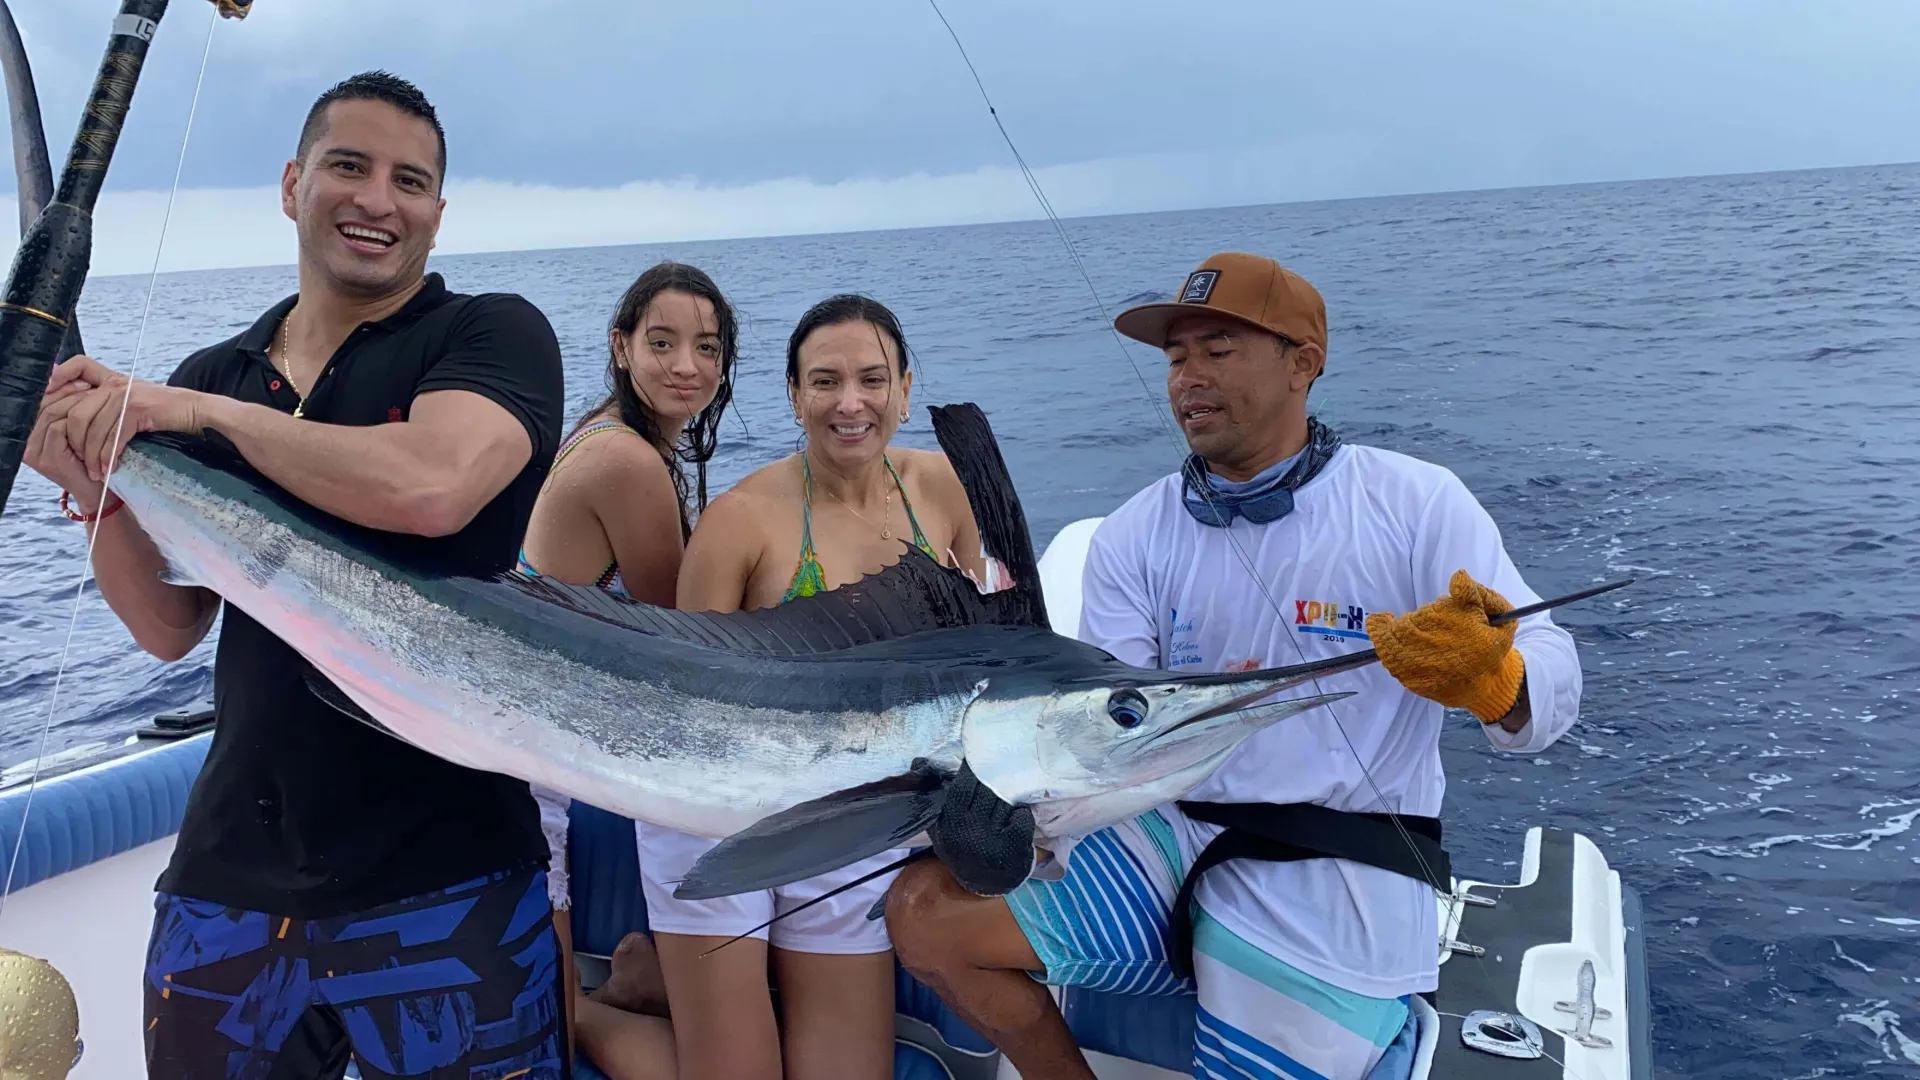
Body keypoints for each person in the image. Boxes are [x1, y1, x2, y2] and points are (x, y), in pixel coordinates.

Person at [883, 251, 1584, 1080]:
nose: (1190, 378)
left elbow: (1554, 682)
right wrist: (1019, 828)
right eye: (1178, 358)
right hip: (1166, 831)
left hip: (1337, 871)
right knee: (925, 913)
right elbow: (1107, 736)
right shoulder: (1135, 535)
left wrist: (1495, 684)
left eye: (1220, 350)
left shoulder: (1417, 502)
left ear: (1304, 364)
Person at [24, 72, 570, 1079]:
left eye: (410, 181)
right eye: (349, 166)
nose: (378, 199)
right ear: (291, 184)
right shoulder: (211, 372)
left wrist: (196, 418)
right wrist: (91, 485)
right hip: (228, 882)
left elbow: (434, 489)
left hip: (447, 874)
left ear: (438, 216)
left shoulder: (488, 335)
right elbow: (170, 625)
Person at [622, 294, 987, 1080]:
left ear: (906, 388)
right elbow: (685, 704)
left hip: (856, 821)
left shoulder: (945, 491)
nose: (849, 403)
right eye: (824, 382)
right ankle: (593, 1008)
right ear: (793, 394)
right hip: (722, 815)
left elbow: (979, 657)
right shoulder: (741, 521)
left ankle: (657, 982)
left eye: (871, 379)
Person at [515, 260, 742, 1078]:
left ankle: (630, 983)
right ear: (620, 345)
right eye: (663, 342)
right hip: (523, 768)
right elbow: (683, 638)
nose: (688, 365)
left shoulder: (611, 436)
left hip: (551, 744)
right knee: (547, 1026)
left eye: (708, 348)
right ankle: (604, 1000)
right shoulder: (629, 464)